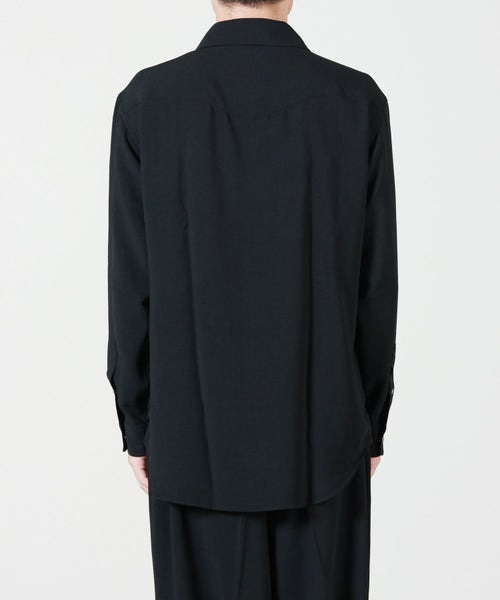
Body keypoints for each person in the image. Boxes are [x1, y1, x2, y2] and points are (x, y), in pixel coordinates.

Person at [106, 0, 398, 598]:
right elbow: (375, 287)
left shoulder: (147, 101)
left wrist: (138, 422)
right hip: (324, 440)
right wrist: (368, 421)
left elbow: (132, 285)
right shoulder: (355, 100)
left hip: (190, 439)